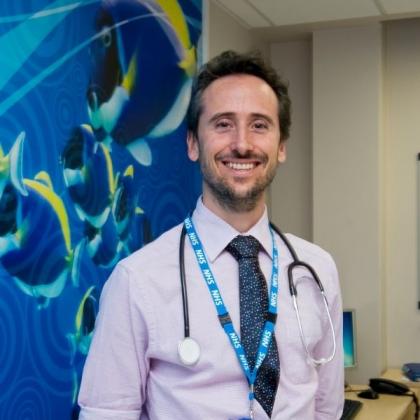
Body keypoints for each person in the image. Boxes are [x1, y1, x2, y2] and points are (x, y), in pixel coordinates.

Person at [78, 50, 344, 419]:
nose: (242, 143)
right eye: (222, 124)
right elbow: (107, 413)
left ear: (281, 147)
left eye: (260, 125)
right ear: (192, 143)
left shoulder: (316, 270)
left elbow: (326, 408)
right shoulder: (136, 280)